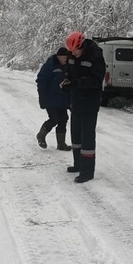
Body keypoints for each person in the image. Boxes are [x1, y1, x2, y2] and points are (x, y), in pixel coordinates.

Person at [62, 31, 105, 183]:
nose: (73, 54)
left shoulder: (95, 56)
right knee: (76, 136)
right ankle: (78, 164)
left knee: (87, 138)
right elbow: (68, 71)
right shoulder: (72, 55)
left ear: (81, 46)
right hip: (76, 102)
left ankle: (87, 172)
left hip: (89, 103)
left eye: (76, 51)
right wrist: (66, 81)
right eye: (71, 51)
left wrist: (77, 83)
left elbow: (96, 80)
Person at [35, 47, 71, 150]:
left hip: (62, 98)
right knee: (54, 118)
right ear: (58, 56)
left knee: (63, 119)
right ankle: (41, 135)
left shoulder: (67, 67)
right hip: (50, 98)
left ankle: (61, 144)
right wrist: (42, 97)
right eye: (63, 57)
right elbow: (40, 81)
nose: (65, 59)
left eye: (66, 57)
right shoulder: (50, 65)